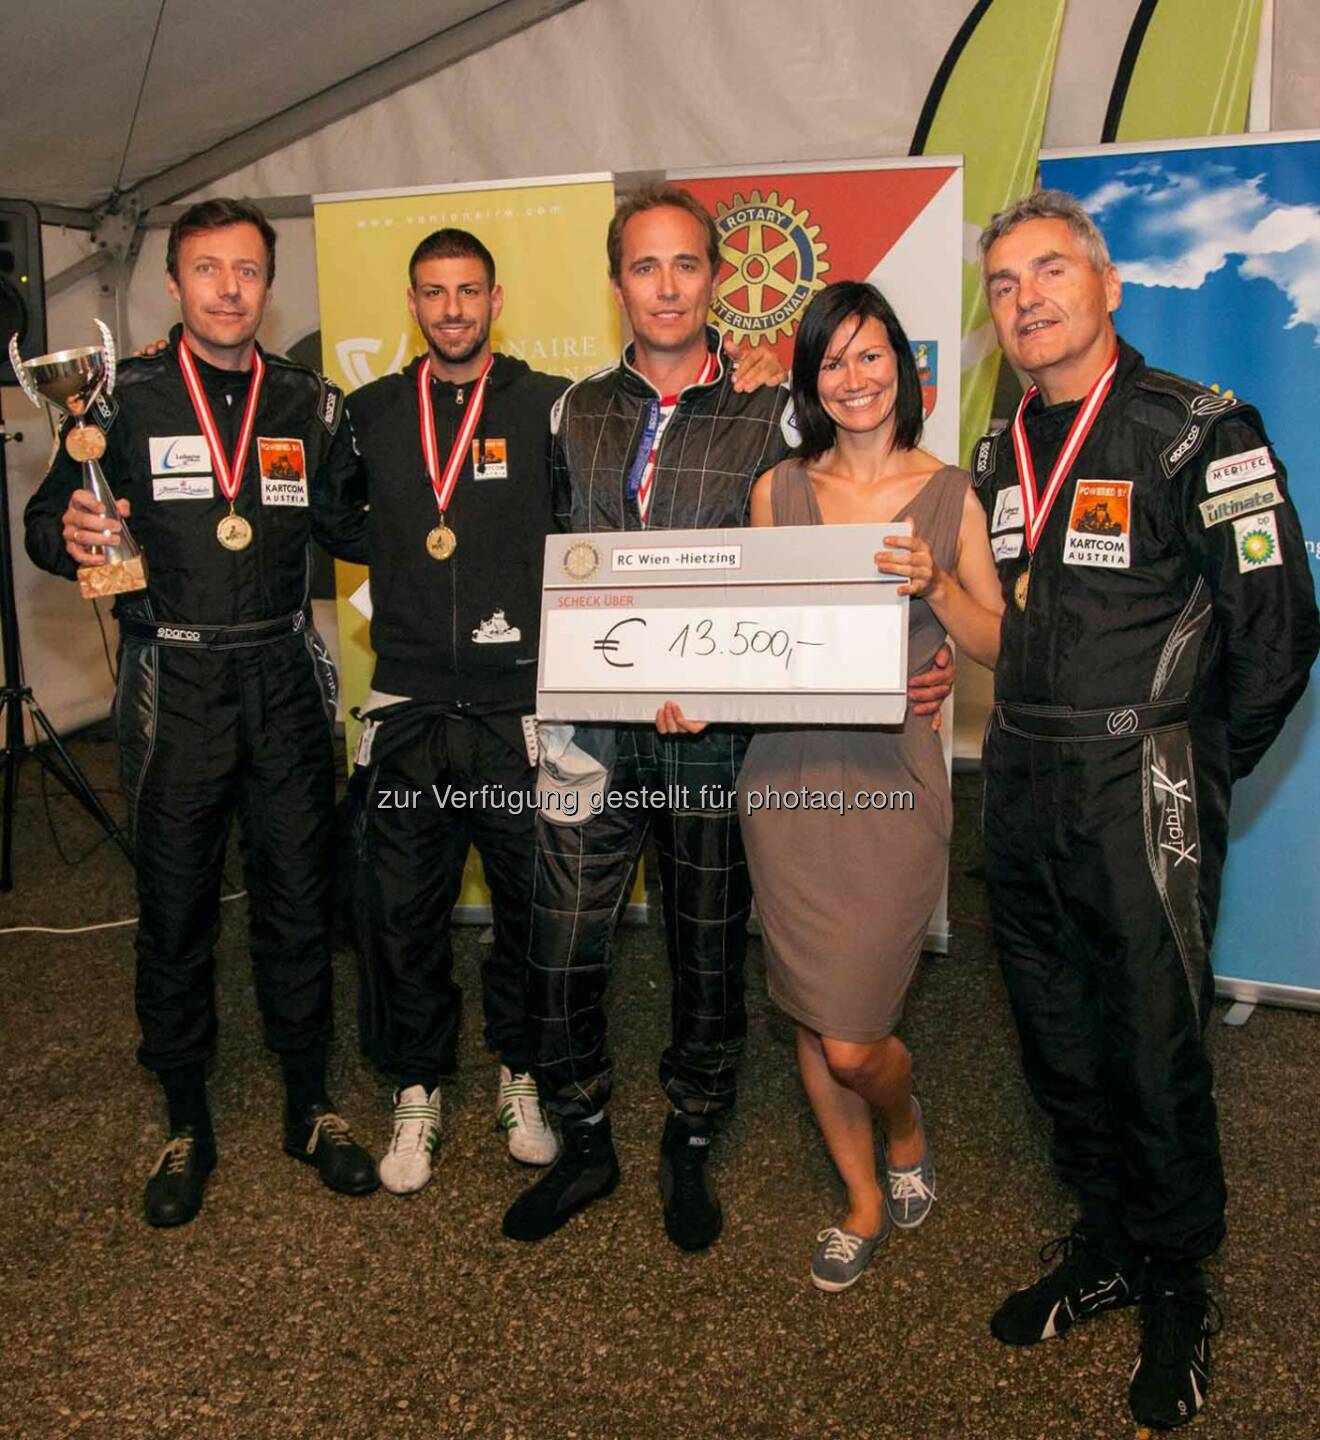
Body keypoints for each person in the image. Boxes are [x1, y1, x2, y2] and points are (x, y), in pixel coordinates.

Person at [501, 186, 955, 1250]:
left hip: (720, 735)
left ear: (715, 278)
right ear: (616, 283)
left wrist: (904, 661)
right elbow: (556, 556)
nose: (666, 287)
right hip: (590, 731)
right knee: (560, 947)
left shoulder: (775, 410)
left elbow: (843, 534)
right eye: (644, 267)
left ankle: (692, 1133)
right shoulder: (574, 410)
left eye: (686, 265)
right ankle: (584, 1135)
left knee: (706, 952)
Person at [974, 190, 1319, 1429]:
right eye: (1004, 284)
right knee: (1054, 1035)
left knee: (1152, 1042)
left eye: (1050, 271)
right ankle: (1109, 1240)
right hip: (1019, 784)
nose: (1027, 300)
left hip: (1140, 788)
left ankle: (1179, 1278)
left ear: (1109, 284)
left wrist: (1192, 766)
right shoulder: (998, 449)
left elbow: (1278, 636)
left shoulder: (1199, 433)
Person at [24, 198, 379, 1226]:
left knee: (298, 900)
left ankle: (309, 1103)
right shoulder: (121, 399)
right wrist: (73, 531)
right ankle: (185, 1116)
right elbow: (48, 524)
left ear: (269, 285)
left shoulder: (308, 402)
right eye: (209, 270)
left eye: (248, 270)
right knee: (175, 907)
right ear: (174, 283)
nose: (230, 288)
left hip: (283, 674)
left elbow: (356, 523)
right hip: (172, 679)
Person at [736, 281, 1002, 1291]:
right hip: (786, 779)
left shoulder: (950, 493)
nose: (854, 377)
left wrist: (938, 586)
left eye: (871, 354)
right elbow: (747, 638)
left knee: (855, 1041)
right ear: (811, 381)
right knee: (814, 1010)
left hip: (892, 784)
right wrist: (685, 691)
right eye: (832, 360)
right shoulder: (777, 492)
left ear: (903, 365)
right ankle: (859, 1197)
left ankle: (903, 1118)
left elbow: (999, 642)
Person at [343, 228, 566, 1188]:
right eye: (434, 293)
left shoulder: (548, 405)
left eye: (468, 291)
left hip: (516, 709)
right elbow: (327, 517)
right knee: (403, 913)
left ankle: (523, 1069)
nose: (452, 310)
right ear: (412, 304)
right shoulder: (371, 413)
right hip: (410, 708)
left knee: (528, 907)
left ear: (496, 299)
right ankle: (417, 1083)